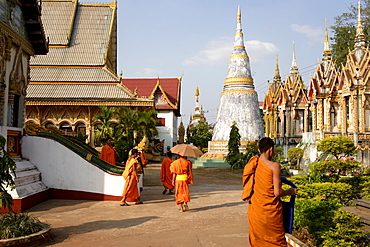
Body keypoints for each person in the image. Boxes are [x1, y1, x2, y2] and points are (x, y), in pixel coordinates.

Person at [243, 137, 298, 246]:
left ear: (259, 150)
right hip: (270, 212)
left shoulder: (253, 165)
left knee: (258, 242)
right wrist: (290, 191)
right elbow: (277, 192)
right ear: (271, 149)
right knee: (275, 242)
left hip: (256, 210)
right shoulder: (274, 166)